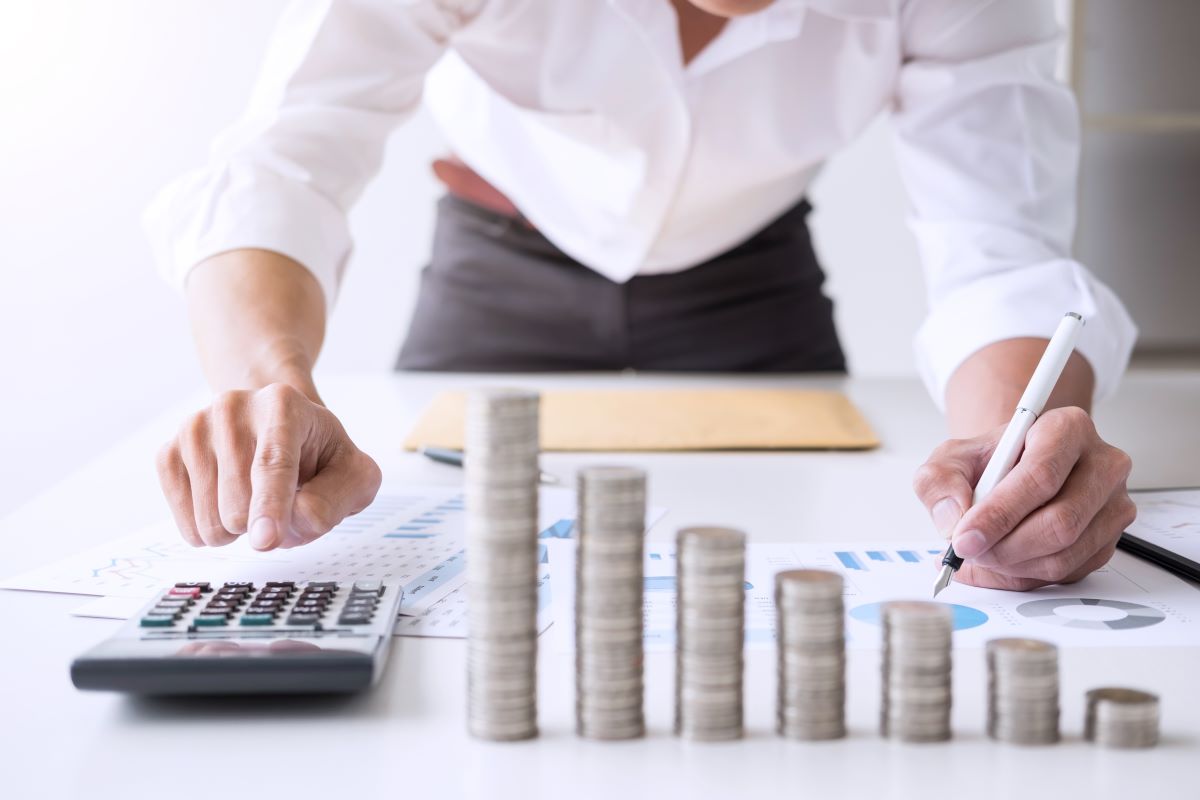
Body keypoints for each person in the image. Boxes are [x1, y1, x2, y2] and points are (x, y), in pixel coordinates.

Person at [145, 0, 1138, 591]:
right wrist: (276, 384)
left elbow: (996, 246)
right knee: (438, 578)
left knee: (791, 570)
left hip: (754, 283)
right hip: (495, 266)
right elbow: (286, 158)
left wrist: (1010, 450)